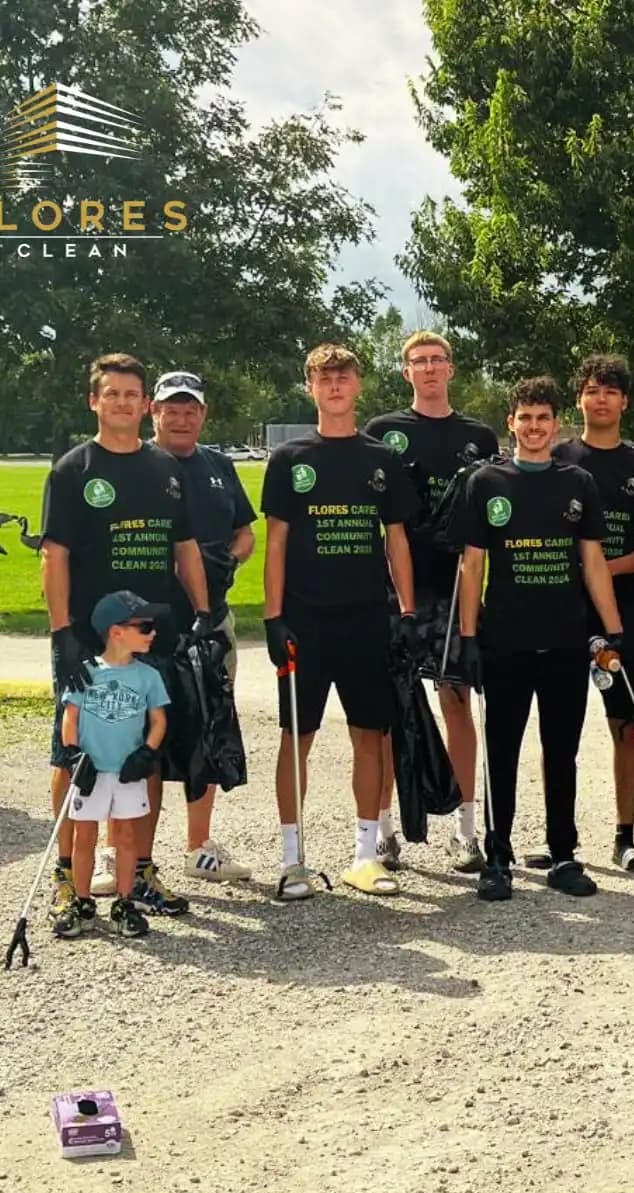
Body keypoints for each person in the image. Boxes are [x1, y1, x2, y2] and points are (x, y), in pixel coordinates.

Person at [41, 353, 212, 929]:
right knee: (75, 751)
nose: (121, 403)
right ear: (94, 401)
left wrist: (204, 612)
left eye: (131, 394)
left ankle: (137, 869)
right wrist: (62, 633)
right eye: (110, 393)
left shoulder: (165, 467)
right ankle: (68, 877)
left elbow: (184, 547)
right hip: (89, 640)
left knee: (144, 749)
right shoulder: (73, 470)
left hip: (151, 635)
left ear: (145, 404)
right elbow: (54, 556)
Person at [452, 376, 626, 901]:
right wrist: (468, 637)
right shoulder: (486, 482)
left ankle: (564, 853)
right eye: (524, 418)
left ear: (557, 424)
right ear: (511, 423)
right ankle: (497, 855)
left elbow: (592, 561)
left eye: (543, 418)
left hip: (566, 639)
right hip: (505, 641)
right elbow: (473, 564)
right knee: (502, 751)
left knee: (562, 750)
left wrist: (613, 629)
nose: (533, 427)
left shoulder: (578, 483)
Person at [261, 344, 421, 900]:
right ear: (310, 386)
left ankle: (365, 855)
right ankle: (291, 860)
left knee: (370, 735)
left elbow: (396, 539)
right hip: (304, 619)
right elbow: (275, 543)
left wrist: (407, 610)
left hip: (366, 617)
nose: (334, 385)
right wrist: (273, 616)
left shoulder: (381, 458)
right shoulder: (289, 459)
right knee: (296, 736)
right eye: (324, 377)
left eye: (343, 376)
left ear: (358, 384)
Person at [363, 331, 500, 873]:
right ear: (406, 372)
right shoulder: (382, 433)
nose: (428, 368)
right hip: (394, 588)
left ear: (451, 369)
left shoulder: (479, 437)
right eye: (418, 361)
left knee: (456, 700)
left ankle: (466, 829)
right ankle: (383, 831)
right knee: (388, 710)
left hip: (453, 586)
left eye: (436, 360)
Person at [552, 354, 634, 873]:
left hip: (622, 610)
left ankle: (625, 835)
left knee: (627, 723)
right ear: (579, 399)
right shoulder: (558, 457)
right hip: (560, 609)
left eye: (610, 391)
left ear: (624, 402)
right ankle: (559, 838)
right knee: (559, 728)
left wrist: (603, 569)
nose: (600, 399)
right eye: (592, 390)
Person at [146, 369, 256, 886]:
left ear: (203, 414)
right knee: (140, 736)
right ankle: (125, 852)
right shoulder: (139, 464)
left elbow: (245, 533)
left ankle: (199, 846)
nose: (181, 418)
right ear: (154, 412)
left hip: (212, 618)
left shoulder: (218, 465)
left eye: (190, 409)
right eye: (172, 409)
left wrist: (228, 559)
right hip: (149, 622)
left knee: (208, 728)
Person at [53, 592, 174, 940]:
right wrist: (74, 754)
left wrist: (147, 753)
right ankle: (82, 899)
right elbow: (70, 716)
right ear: (116, 632)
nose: (153, 633)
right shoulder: (86, 673)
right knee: (85, 836)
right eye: (145, 627)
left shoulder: (148, 676)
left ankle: (124, 901)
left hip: (127, 770)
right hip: (92, 770)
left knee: (126, 835)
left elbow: (159, 720)